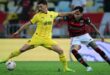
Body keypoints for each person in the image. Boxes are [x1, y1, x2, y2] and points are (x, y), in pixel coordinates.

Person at [0, 0, 77, 72]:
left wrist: (72, 12)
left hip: (47, 39)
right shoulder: (37, 16)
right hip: (37, 38)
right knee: (22, 50)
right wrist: (18, 31)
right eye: (38, 7)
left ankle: (65, 68)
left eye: (41, 6)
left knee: (60, 51)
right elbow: (27, 24)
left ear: (46, 6)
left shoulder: (52, 14)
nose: (39, 8)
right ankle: (5, 59)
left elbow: (62, 14)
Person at [63, 6, 110, 71]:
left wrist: (100, 34)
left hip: (84, 35)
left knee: (97, 49)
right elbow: (59, 16)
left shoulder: (85, 19)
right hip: (75, 37)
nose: (76, 16)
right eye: (75, 14)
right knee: (74, 51)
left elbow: (92, 25)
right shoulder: (69, 17)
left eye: (78, 14)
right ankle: (88, 67)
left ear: (82, 14)